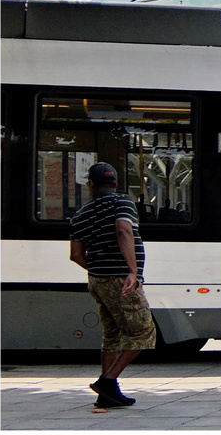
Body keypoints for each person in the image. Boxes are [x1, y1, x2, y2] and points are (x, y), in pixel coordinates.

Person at [67, 162, 154, 407]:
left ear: (91, 185)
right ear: (115, 183)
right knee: (143, 333)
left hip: (97, 280)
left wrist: (97, 270)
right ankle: (107, 381)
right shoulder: (122, 202)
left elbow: (75, 255)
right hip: (121, 278)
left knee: (112, 334)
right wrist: (132, 271)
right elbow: (123, 230)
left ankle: (107, 394)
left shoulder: (80, 215)